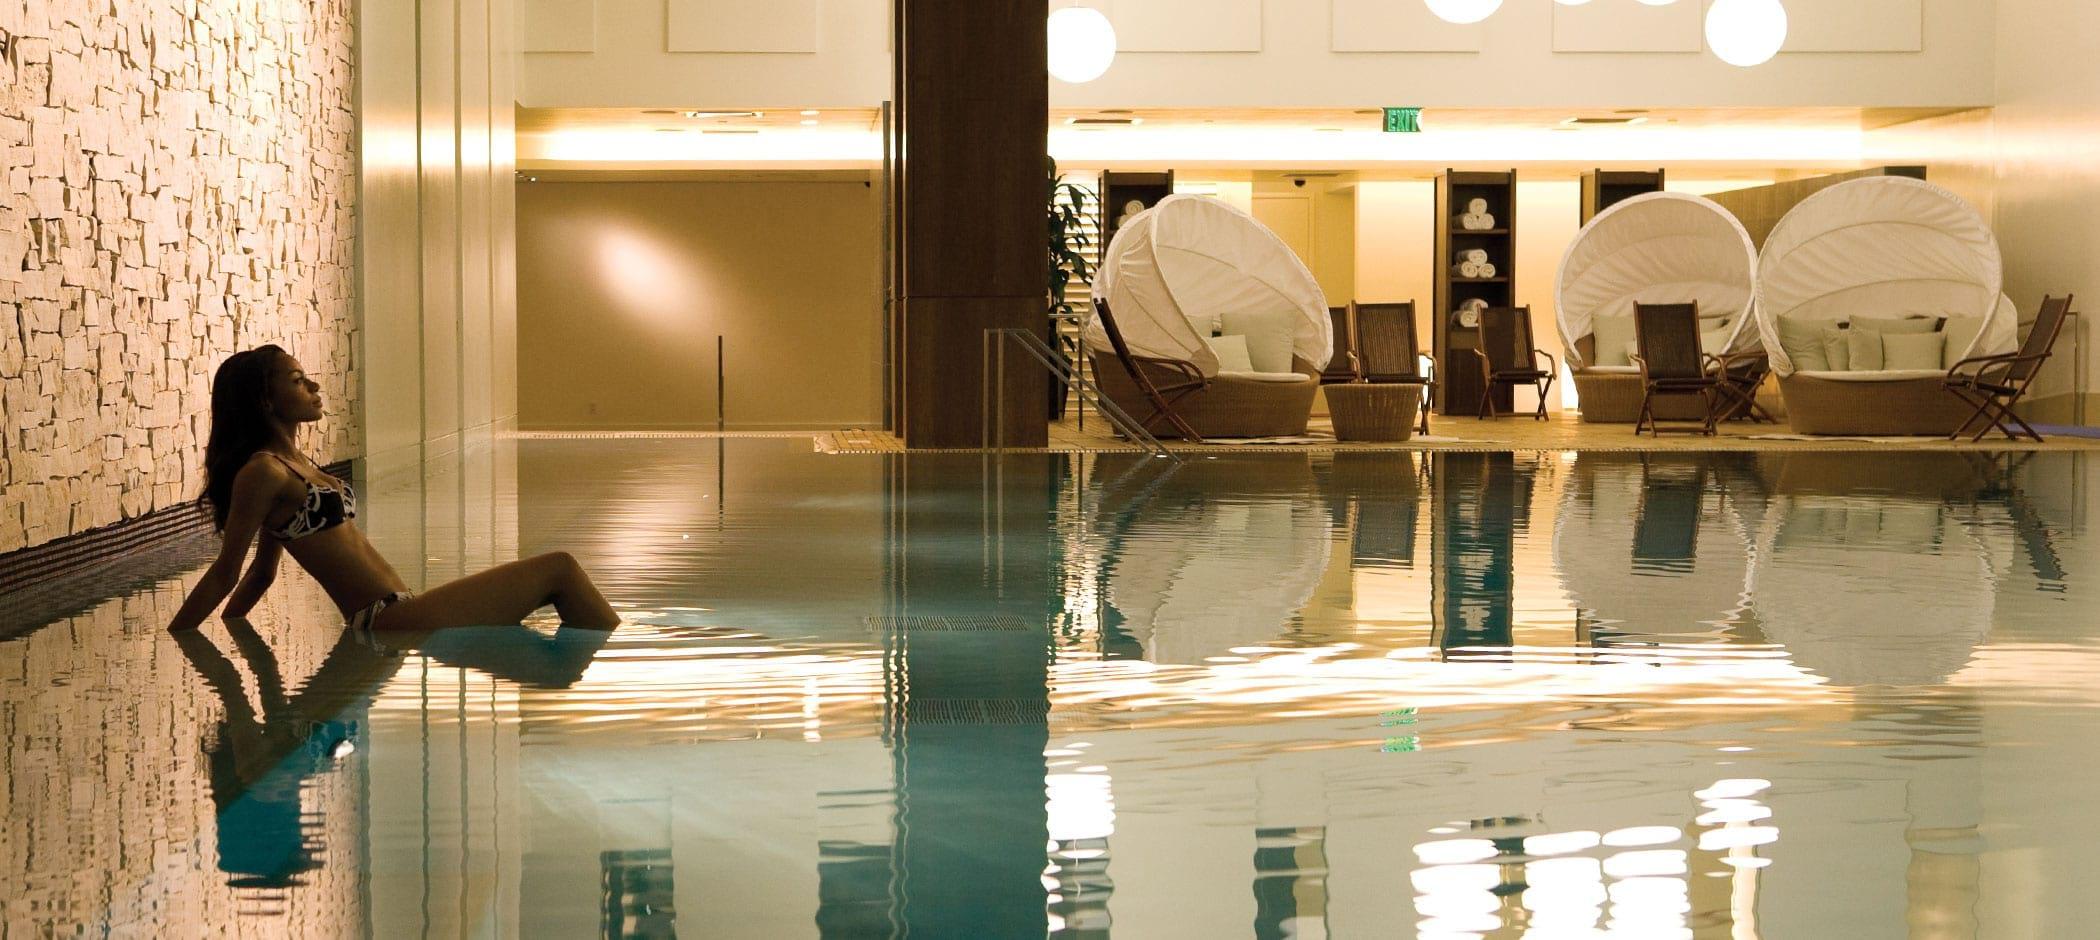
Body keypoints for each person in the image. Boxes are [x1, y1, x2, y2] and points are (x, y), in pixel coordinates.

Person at [168, 345, 621, 633]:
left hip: (402, 608)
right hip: (384, 620)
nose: (314, 386)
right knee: (560, 570)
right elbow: (228, 572)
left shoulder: (295, 464)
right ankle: (612, 652)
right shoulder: (262, 472)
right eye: (298, 381)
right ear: (265, 400)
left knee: (552, 661)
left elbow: (264, 573)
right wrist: (180, 640)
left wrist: (236, 629)